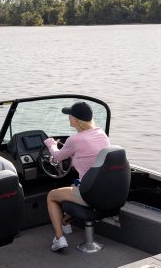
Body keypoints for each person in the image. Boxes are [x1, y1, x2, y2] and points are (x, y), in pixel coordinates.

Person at [44, 101, 111, 252]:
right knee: (73, 187)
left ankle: (59, 238)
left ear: (75, 119)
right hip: (106, 189)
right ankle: (65, 224)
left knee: (52, 196)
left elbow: (57, 157)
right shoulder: (101, 134)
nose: (68, 117)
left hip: (89, 193)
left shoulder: (75, 140)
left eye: (70, 115)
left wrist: (50, 144)